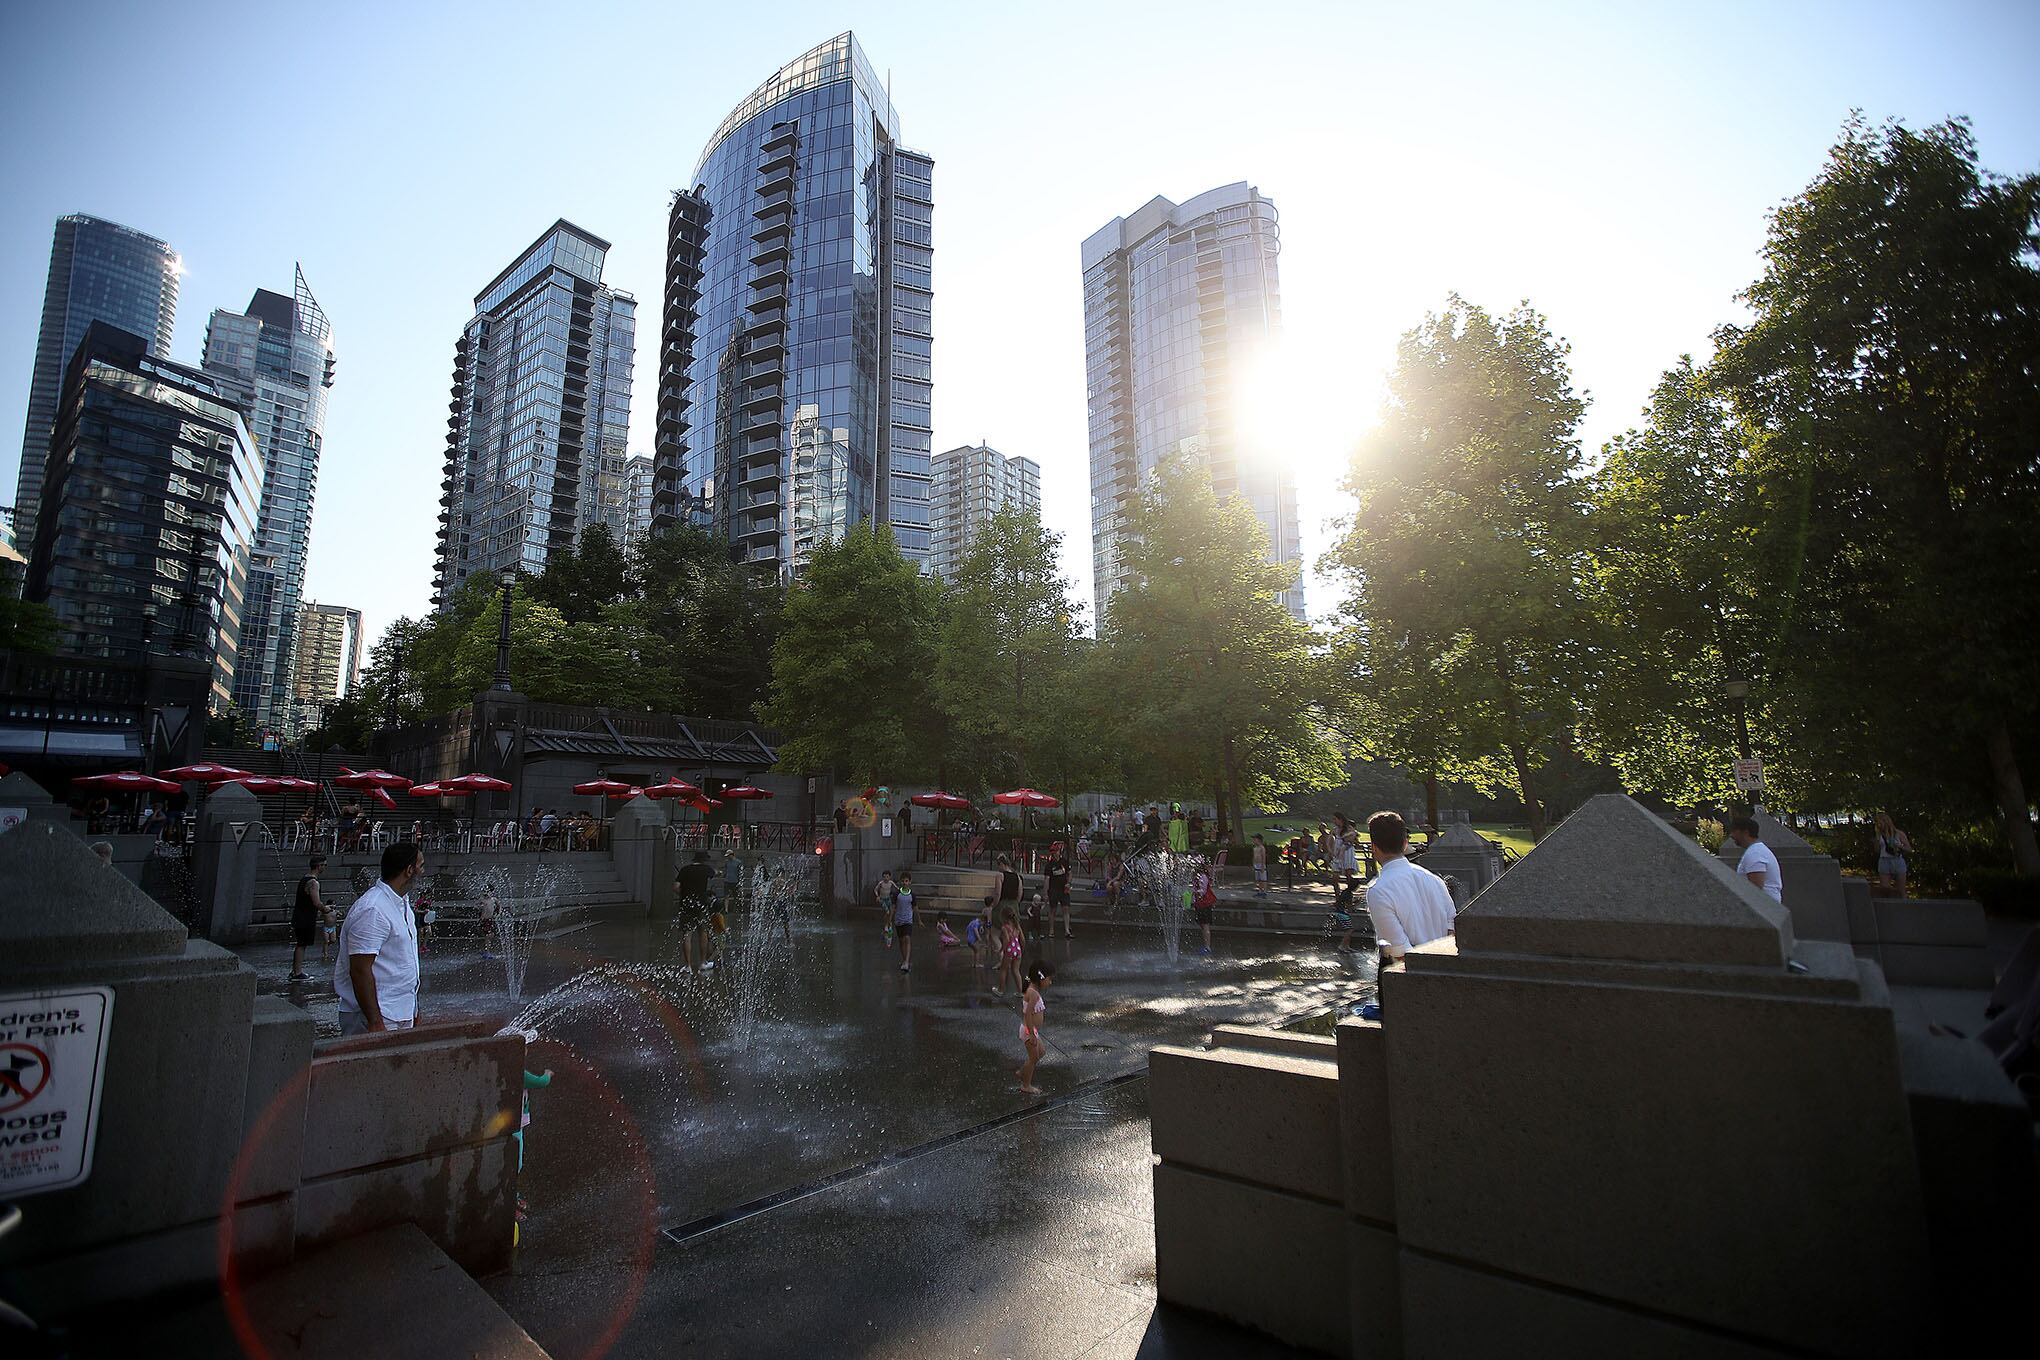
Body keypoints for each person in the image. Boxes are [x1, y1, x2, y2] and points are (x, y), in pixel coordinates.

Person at [1342, 812, 1457, 965]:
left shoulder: (1378, 890)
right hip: (1443, 967)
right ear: (1405, 844)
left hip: (1409, 976)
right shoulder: (1434, 879)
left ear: (1373, 847)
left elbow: (1399, 951)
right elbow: (1453, 930)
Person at [335, 842, 425, 1035]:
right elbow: (359, 970)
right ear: (409, 870)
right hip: (376, 1016)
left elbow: (403, 961)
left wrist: (413, 1008)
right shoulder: (373, 909)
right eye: (421, 865)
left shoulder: (402, 904)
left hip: (398, 1012)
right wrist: (375, 1022)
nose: (423, 871)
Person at [1016, 959, 1056, 1095]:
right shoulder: (1033, 993)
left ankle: (1023, 1072)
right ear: (1041, 978)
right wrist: (1031, 1034)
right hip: (1029, 1030)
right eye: (1049, 979)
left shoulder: (1033, 991)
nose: (1050, 982)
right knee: (1033, 1058)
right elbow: (1027, 1014)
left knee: (1041, 1052)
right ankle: (1025, 1085)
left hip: (1032, 1030)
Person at [675, 850, 717, 972]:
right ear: (704, 860)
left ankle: (687, 965)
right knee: (702, 932)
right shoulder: (706, 869)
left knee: (686, 935)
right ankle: (703, 963)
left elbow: (676, 887)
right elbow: (714, 873)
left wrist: (684, 895)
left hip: (686, 904)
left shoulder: (684, 870)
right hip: (701, 904)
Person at [1728, 816, 1783, 904]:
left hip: (1764, 908)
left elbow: (1756, 889)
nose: (1731, 835)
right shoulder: (1757, 851)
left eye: (1734, 831)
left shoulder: (1755, 854)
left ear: (1745, 832)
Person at [290, 853, 327, 981]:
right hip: (305, 917)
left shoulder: (304, 879)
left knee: (301, 944)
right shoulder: (313, 882)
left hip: (300, 916)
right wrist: (325, 909)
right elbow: (316, 902)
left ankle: (295, 971)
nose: (325, 868)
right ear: (319, 866)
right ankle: (297, 973)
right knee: (302, 944)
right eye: (324, 865)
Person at [1873, 813, 1913, 897]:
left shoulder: (1898, 833)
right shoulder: (1879, 835)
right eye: (1877, 823)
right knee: (1885, 888)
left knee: (1901, 889)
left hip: (1897, 860)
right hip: (1884, 860)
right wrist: (1876, 840)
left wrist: (1899, 846)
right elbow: (1877, 850)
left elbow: (1909, 849)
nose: (1879, 825)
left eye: (1880, 822)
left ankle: (1903, 906)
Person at [1044, 841, 1073, 938]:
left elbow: (1069, 873)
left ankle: (1067, 930)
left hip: (1063, 888)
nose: (1054, 854)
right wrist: (1046, 893)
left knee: (1066, 908)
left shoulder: (1064, 861)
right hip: (1053, 889)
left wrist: (1068, 883)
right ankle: (1051, 931)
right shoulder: (1049, 865)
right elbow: (1047, 879)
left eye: (1055, 851)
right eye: (1052, 852)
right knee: (1053, 909)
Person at [995, 906, 1024, 997]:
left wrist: (1001, 950)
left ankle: (1000, 990)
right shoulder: (1017, 926)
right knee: (1016, 971)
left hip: (1009, 950)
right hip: (1017, 950)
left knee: (1003, 970)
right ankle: (1020, 991)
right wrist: (1021, 949)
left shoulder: (1005, 928)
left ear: (1003, 917)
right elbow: (1022, 939)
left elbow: (1007, 940)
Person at [1192, 860, 1219, 956]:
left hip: (1205, 903)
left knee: (1205, 925)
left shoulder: (1202, 876)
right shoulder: (1198, 876)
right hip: (1200, 904)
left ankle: (1207, 947)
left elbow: (1202, 891)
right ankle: (1206, 946)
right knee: (1203, 925)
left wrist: (1194, 893)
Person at [893, 870, 916, 972]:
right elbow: (893, 907)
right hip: (898, 920)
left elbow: (915, 907)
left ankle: (906, 961)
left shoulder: (912, 895)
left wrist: (919, 920)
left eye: (906, 881)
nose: (904, 883)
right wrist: (889, 920)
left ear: (910, 882)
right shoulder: (897, 893)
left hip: (908, 920)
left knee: (907, 938)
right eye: (903, 881)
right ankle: (904, 960)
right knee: (901, 940)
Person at [967, 897, 995, 969]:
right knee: (991, 934)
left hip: (985, 923)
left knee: (987, 934)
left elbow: (982, 916)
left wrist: (982, 926)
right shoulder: (992, 909)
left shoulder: (984, 910)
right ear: (992, 903)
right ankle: (990, 945)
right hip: (990, 922)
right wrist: (979, 938)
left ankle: (987, 944)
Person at [994, 854, 1022, 921]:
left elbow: (997, 893)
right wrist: (1016, 903)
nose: (998, 868)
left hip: (1003, 904)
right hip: (1014, 905)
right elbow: (1020, 893)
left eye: (998, 865)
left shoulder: (1000, 876)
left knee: (999, 926)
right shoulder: (1018, 877)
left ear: (1001, 864)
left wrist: (994, 906)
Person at [1251, 833, 1270, 898]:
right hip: (1256, 865)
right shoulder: (1255, 848)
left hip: (1261, 864)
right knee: (1258, 879)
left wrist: (1262, 865)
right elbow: (1254, 857)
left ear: (1259, 840)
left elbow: (1263, 857)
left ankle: (1264, 892)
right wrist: (1253, 864)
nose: (1253, 840)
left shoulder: (1262, 848)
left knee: (1263, 879)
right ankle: (1260, 891)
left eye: (1254, 839)